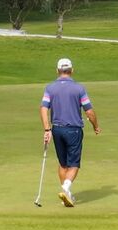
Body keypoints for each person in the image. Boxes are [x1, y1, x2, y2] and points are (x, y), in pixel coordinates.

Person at [40, 58, 100, 207]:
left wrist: (47, 129)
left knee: (63, 164)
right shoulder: (79, 88)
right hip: (74, 130)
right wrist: (95, 126)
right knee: (74, 164)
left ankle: (66, 195)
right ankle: (66, 187)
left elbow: (43, 108)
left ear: (57, 71)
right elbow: (89, 111)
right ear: (72, 70)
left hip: (57, 129)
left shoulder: (50, 88)